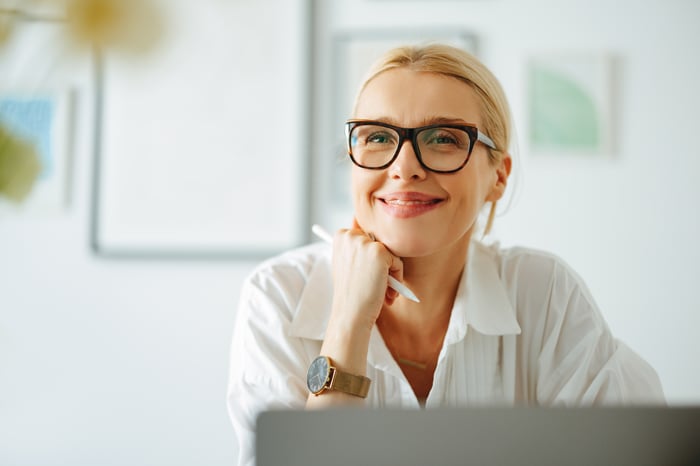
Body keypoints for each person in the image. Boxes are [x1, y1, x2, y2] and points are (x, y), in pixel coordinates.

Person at [226, 43, 664, 466]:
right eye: (378, 136)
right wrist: (346, 323)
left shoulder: (543, 292)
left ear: (498, 176)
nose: (404, 166)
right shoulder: (278, 294)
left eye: (443, 139)